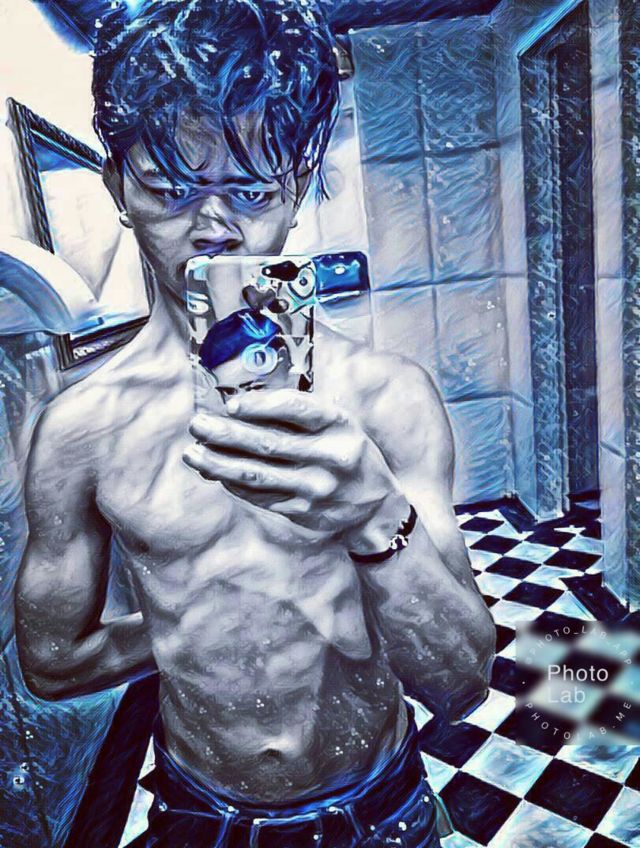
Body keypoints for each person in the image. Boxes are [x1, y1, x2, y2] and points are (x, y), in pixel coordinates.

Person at [14, 1, 496, 845]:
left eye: (250, 191)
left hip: (383, 811)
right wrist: (198, 625)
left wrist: (371, 516)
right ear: (118, 187)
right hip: (200, 818)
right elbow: (51, 666)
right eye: (170, 189)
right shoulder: (80, 431)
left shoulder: (387, 398)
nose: (212, 228)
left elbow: (461, 686)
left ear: (296, 192)